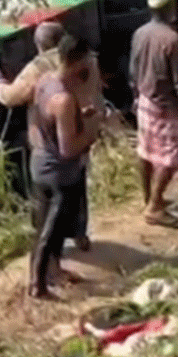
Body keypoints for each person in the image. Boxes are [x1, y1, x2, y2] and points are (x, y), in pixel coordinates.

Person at [0, 21, 96, 252]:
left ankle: (49, 259)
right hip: (82, 133)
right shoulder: (86, 59)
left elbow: (11, 97)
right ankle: (80, 234)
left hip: (50, 145)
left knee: (49, 204)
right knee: (78, 187)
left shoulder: (39, 68)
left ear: (39, 46)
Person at [27, 34, 101, 299]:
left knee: (47, 225)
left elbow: (45, 120)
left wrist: (79, 118)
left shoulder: (44, 82)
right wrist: (90, 134)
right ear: (79, 61)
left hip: (40, 162)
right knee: (50, 231)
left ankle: (52, 273)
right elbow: (68, 148)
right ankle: (37, 285)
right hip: (59, 172)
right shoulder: (65, 100)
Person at [128, 0, 178, 226]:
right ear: (171, 8)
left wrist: (135, 96)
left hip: (145, 101)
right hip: (166, 106)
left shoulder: (140, 33)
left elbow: (133, 70)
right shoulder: (173, 40)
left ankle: (148, 197)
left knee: (146, 152)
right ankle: (155, 207)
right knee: (173, 156)